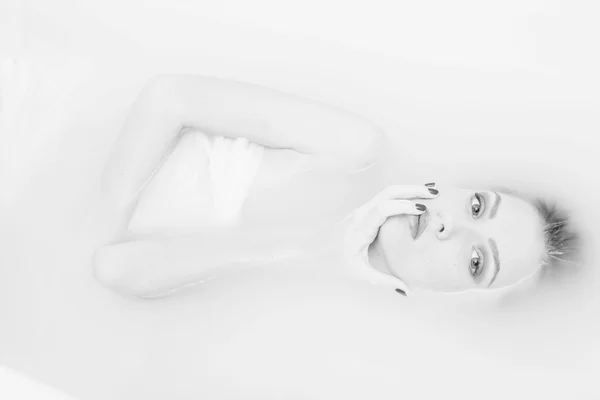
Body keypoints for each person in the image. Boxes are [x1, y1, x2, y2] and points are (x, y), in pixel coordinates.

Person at [93, 75, 580, 299]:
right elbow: (168, 98)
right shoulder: (352, 151)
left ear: (454, 295)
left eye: (476, 261)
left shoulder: (336, 304)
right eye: (477, 205)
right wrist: (96, 216)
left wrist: (309, 251)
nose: (448, 225)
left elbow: (113, 269)